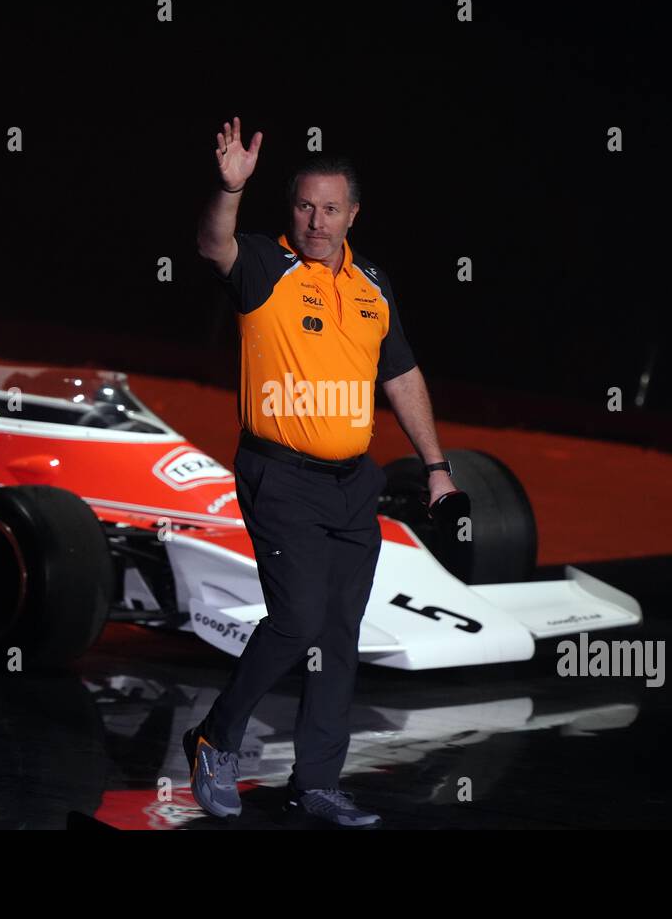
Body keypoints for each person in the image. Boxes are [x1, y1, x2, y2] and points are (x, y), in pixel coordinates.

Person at [185, 116, 463, 828]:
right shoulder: (261, 267)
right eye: (304, 205)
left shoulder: (372, 283)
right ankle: (216, 736)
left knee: (339, 632)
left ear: (353, 213)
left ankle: (316, 781)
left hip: (353, 483)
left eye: (330, 207)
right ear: (290, 208)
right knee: (298, 617)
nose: (315, 220)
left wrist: (436, 467)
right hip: (280, 477)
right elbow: (212, 243)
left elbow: (400, 374)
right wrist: (227, 188)